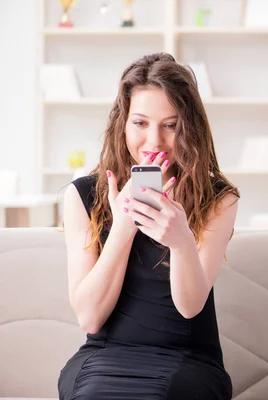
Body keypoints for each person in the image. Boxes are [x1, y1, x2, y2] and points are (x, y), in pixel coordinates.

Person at [58, 53, 239, 400]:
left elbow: (189, 307)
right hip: (103, 358)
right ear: (122, 124)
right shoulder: (82, 195)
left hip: (187, 360)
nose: (154, 141)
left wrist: (181, 240)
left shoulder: (218, 199)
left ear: (189, 128)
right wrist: (124, 226)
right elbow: (90, 318)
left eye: (170, 125)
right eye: (140, 123)